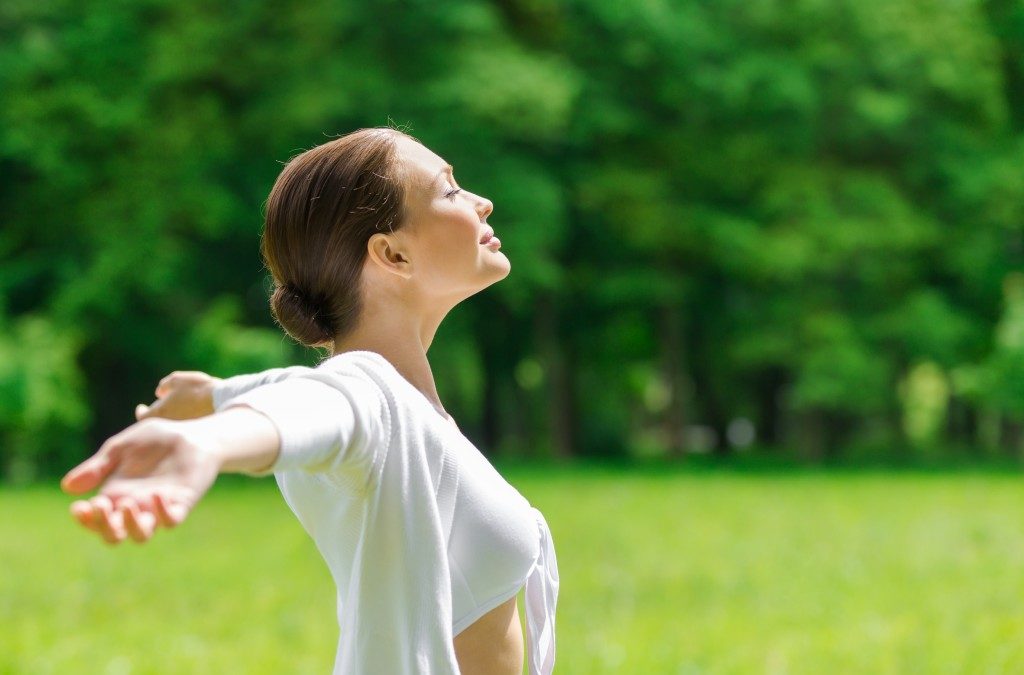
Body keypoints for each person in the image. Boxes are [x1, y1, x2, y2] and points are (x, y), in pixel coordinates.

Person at [60, 127, 559, 675]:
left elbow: (303, 397)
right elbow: (323, 407)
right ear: (393, 253)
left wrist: (216, 397)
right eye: (450, 190)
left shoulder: (404, 410)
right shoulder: (371, 393)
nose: (481, 201)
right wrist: (207, 440)